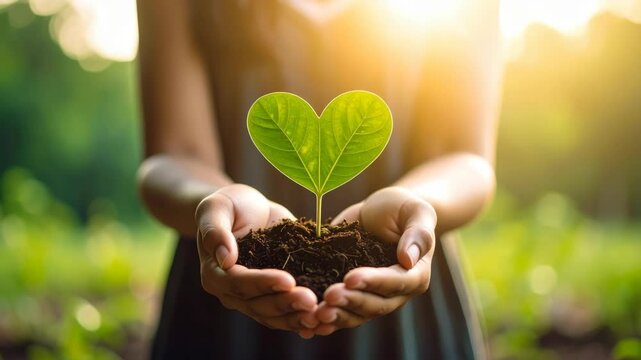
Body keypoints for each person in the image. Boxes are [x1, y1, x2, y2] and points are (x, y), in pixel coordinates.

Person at [136, 0, 500, 359]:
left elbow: (466, 158)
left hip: (401, 281)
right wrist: (218, 203)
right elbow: (177, 152)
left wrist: (415, 204)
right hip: (228, 277)